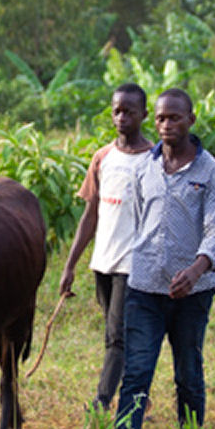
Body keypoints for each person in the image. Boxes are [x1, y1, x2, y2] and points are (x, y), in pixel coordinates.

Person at [115, 87, 215, 429]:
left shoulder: (211, 173)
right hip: (144, 289)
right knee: (136, 374)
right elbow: (137, 222)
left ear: (191, 121)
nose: (166, 125)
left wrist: (196, 270)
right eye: (161, 118)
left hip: (192, 295)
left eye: (175, 117)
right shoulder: (143, 168)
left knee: (188, 374)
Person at [59, 83, 153, 410]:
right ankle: (139, 394)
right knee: (117, 336)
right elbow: (90, 214)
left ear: (144, 115)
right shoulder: (103, 158)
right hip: (104, 262)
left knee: (117, 338)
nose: (122, 117)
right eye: (117, 111)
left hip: (135, 266)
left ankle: (101, 402)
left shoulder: (154, 160)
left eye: (129, 111)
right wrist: (70, 265)